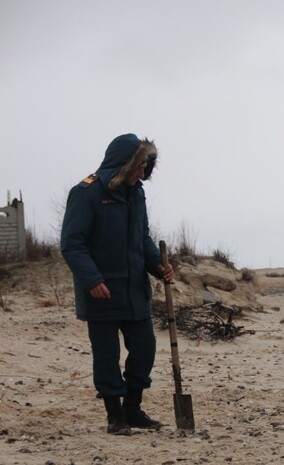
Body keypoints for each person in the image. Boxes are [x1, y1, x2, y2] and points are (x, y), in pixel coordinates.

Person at [61, 133, 174, 435]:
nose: (142, 175)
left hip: (135, 291)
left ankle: (133, 409)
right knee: (107, 357)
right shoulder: (85, 193)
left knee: (145, 348)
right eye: (138, 168)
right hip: (102, 294)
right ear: (124, 165)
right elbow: (72, 244)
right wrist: (92, 279)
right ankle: (114, 416)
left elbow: (142, 238)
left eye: (145, 169)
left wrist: (158, 267)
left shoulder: (136, 193)